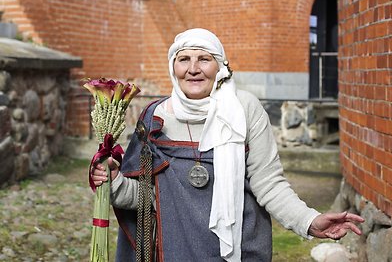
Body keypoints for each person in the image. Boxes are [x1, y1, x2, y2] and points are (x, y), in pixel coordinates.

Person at [91, 28, 364, 262]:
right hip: (175, 249)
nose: (193, 68)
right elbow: (148, 197)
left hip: (241, 249)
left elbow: (268, 183)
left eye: (204, 59)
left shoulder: (244, 109)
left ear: (220, 65)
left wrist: (309, 221)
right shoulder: (154, 117)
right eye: (183, 59)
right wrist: (114, 181)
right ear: (173, 67)